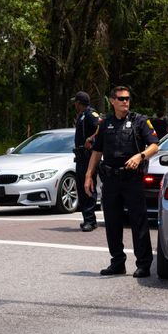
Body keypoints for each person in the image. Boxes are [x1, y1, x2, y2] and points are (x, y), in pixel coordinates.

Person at [84, 86, 159, 278]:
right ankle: (117, 262)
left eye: (127, 98)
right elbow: (97, 151)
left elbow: (154, 146)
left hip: (132, 179)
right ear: (112, 101)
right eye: (121, 98)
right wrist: (88, 176)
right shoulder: (106, 122)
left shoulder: (139, 121)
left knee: (138, 221)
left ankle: (143, 264)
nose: (125, 101)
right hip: (110, 180)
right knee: (112, 222)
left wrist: (140, 156)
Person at [71, 91, 101, 232]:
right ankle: (88, 219)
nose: (74, 105)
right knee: (82, 188)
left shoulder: (90, 114)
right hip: (81, 157)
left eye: (75, 102)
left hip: (89, 157)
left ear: (79, 102)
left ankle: (90, 221)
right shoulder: (82, 115)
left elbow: (101, 127)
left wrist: (91, 139)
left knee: (88, 187)